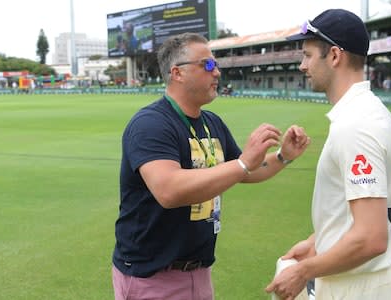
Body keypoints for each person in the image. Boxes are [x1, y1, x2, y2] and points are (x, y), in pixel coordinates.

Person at [112, 32, 310, 300]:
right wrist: (241, 163)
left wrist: (283, 156)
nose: (216, 72)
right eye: (207, 65)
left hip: (198, 271)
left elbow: (244, 172)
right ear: (177, 73)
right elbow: (169, 190)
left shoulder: (211, 122)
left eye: (216, 65)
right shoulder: (151, 124)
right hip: (152, 276)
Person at [265, 9, 391, 300]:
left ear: (335, 56)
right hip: (365, 282)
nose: (303, 66)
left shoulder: (356, 125)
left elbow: (371, 237)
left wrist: (304, 271)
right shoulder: (370, 112)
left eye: (308, 55)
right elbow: (361, 211)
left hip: (356, 288)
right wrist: (319, 242)